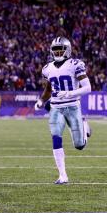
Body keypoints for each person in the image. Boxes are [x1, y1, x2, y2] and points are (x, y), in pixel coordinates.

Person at [34, 37, 92, 184]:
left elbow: (87, 87)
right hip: (56, 107)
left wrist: (70, 93)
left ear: (68, 49)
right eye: (55, 50)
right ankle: (63, 175)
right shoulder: (47, 68)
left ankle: (84, 125)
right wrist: (41, 100)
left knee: (80, 145)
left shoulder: (75, 64)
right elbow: (48, 88)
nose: (58, 52)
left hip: (72, 105)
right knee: (56, 137)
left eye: (61, 49)